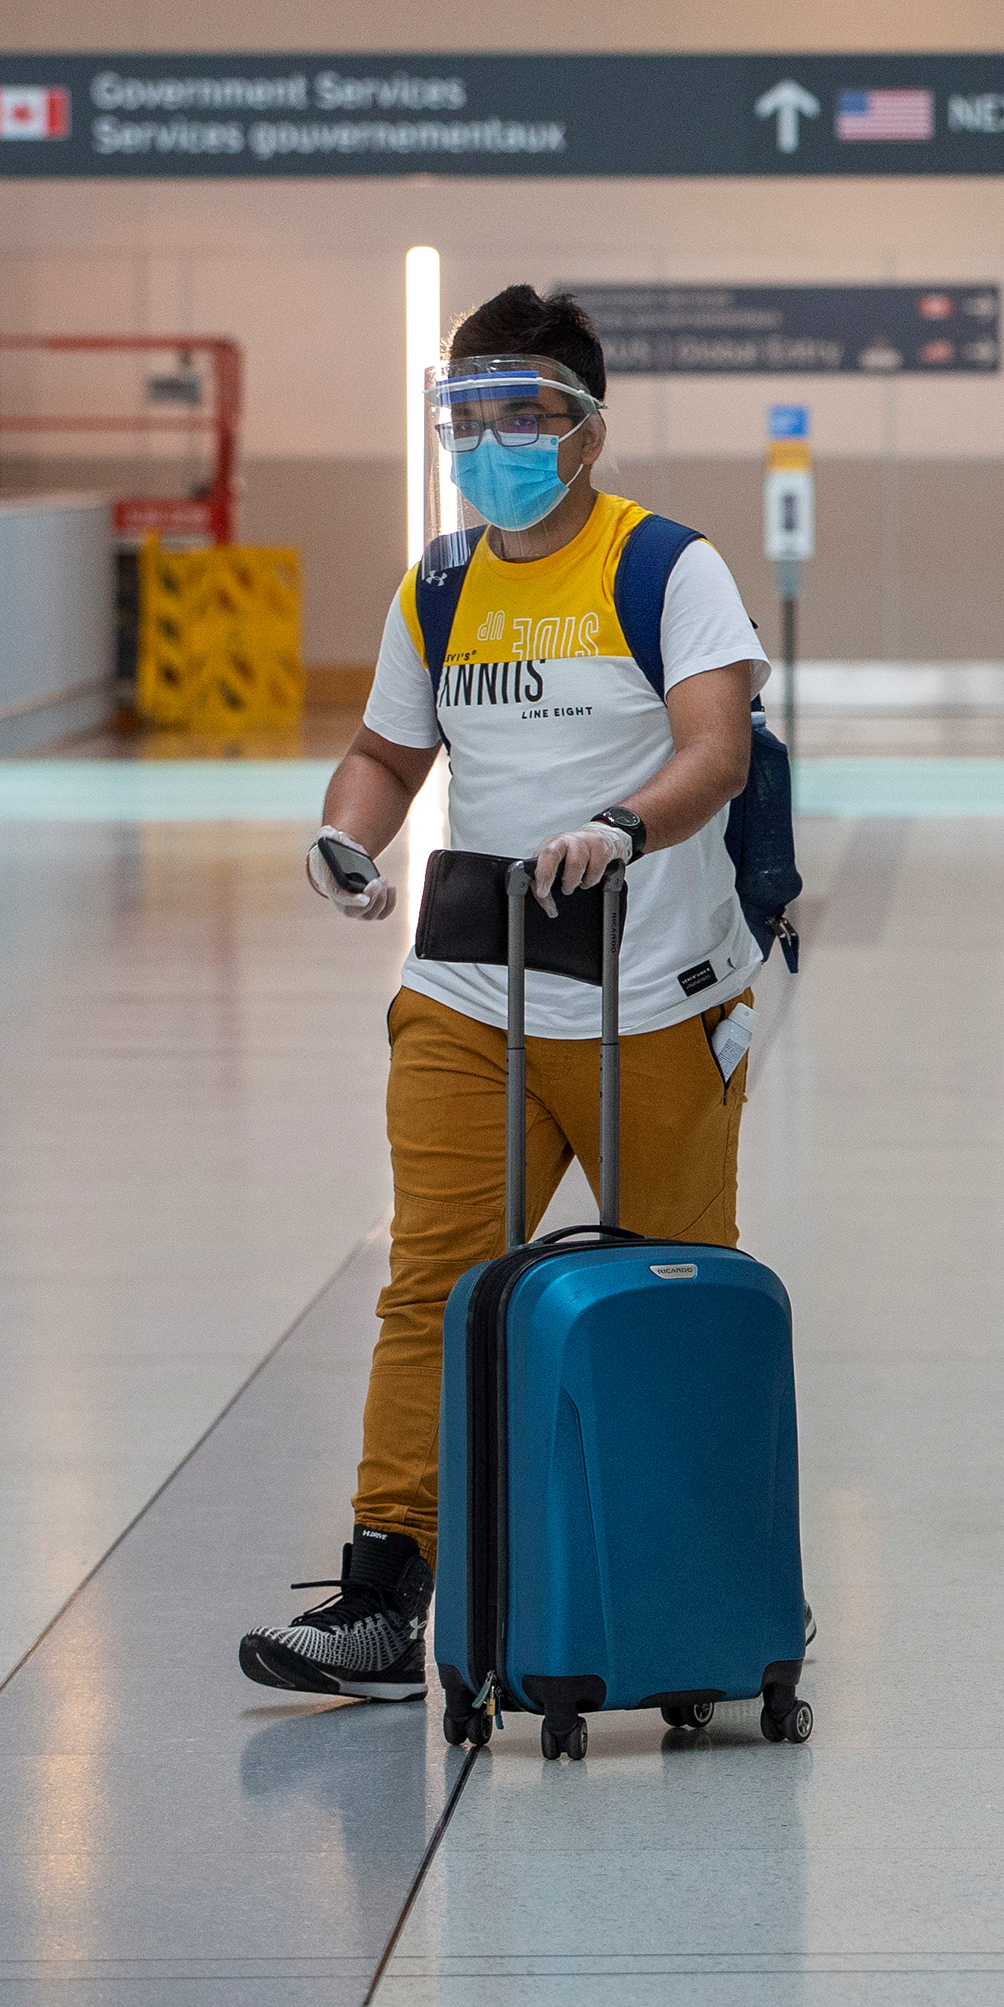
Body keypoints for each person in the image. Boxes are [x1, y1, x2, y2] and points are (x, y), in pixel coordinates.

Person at [241, 284, 771, 1702]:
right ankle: (378, 1600)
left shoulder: (667, 567)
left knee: (671, 1281)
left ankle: (680, 1596)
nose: (491, 446)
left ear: (589, 432)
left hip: (653, 995)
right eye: (467, 421)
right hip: (474, 990)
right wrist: (348, 831)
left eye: (522, 417)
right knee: (434, 1285)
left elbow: (716, 747)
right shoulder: (441, 581)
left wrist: (624, 827)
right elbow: (384, 749)